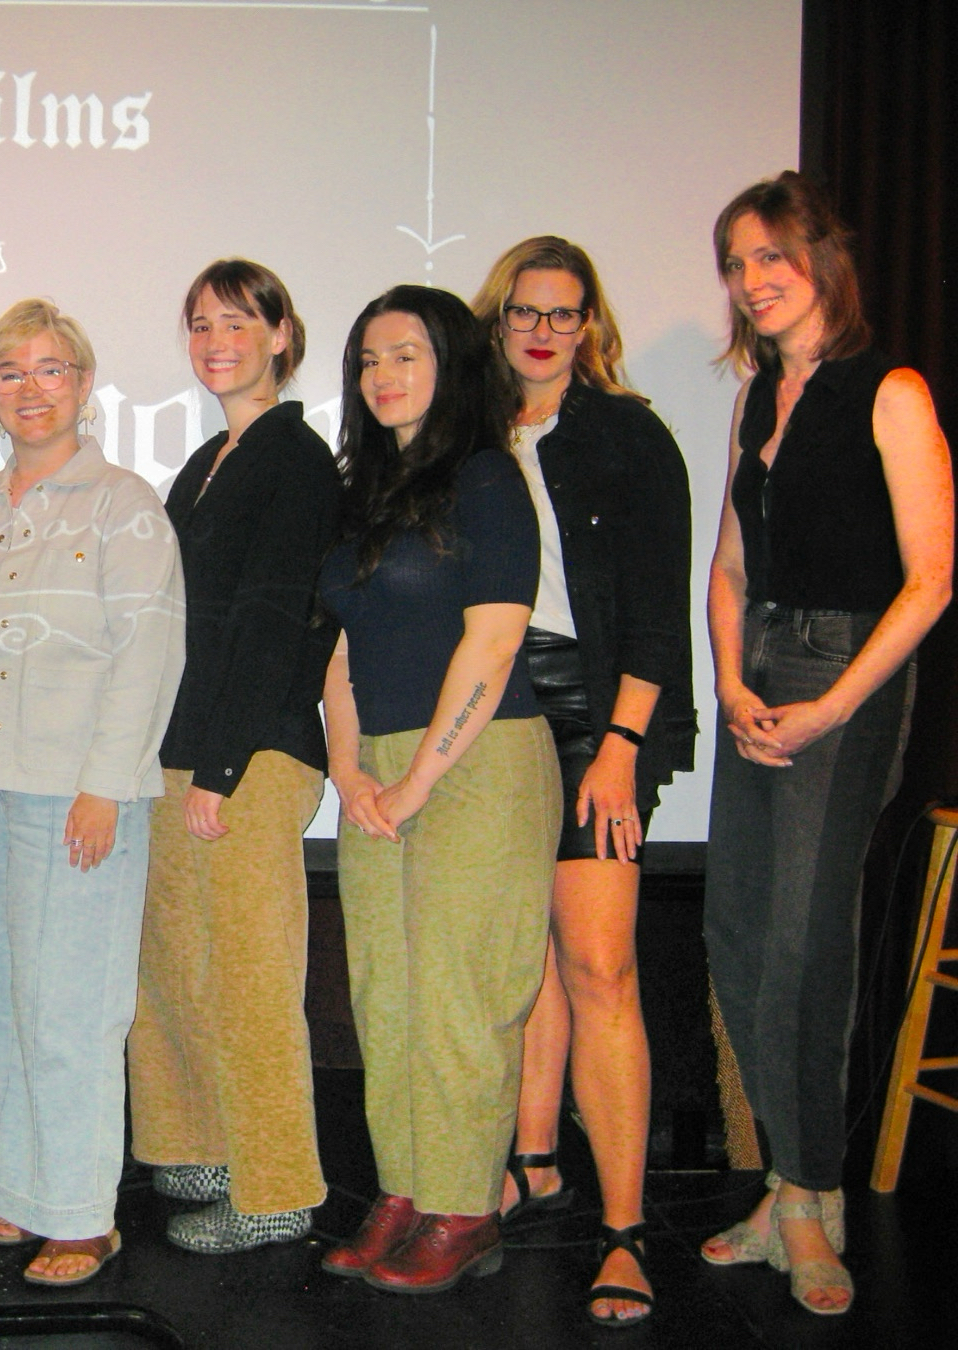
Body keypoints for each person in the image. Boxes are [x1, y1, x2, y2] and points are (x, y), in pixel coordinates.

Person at [697, 172, 951, 1316]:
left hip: (844, 679)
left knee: (804, 947)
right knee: (737, 935)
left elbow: (931, 579)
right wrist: (729, 680)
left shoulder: (890, 390)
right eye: (737, 263)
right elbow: (728, 565)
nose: (752, 281)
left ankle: (810, 1200)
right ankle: (788, 1183)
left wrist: (835, 704)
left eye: (770, 256)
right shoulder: (759, 396)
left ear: (822, 259)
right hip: (759, 669)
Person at [0, 298, 185, 1287]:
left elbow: (148, 655)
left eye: (51, 368)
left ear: (84, 383)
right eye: (11, 371)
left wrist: (106, 787)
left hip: (77, 800)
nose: (31, 388)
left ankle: (84, 1218)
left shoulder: (123, 505)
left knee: (70, 1011)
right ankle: (20, 1191)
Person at [467, 236, 695, 1325]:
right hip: (493, 705)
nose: (543, 331)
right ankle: (535, 1164)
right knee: (528, 958)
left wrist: (619, 745)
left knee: (600, 966)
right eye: (526, 311)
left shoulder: (630, 436)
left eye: (564, 313)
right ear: (498, 317)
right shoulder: (469, 435)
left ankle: (624, 1231)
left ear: (589, 324)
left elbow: (657, 609)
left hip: (597, 714)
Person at [316, 285, 559, 1294]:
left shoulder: (488, 478)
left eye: (406, 354)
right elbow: (340, 647)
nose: (384, 375)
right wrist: (348, 770)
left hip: (480, 764)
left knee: (463, 994)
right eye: (369, 359)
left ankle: (465, 1208)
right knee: (387, 994)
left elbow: (493, 642)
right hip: (378, 767)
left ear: (452, 364)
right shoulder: (363, 492)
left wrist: (419, 778)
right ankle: (406, 1192)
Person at [125, 260, 340, 1254]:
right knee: (176, 966)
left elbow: (273, 618)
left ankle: (278, 1190)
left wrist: (222, 767)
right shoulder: (211, 459)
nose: (216, 341)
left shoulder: (295, 459)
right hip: (184, 747)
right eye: (201, 323)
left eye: (238, 322)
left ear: (281, 336)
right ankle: (198, 1148)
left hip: (249, 753)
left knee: (252, 979)